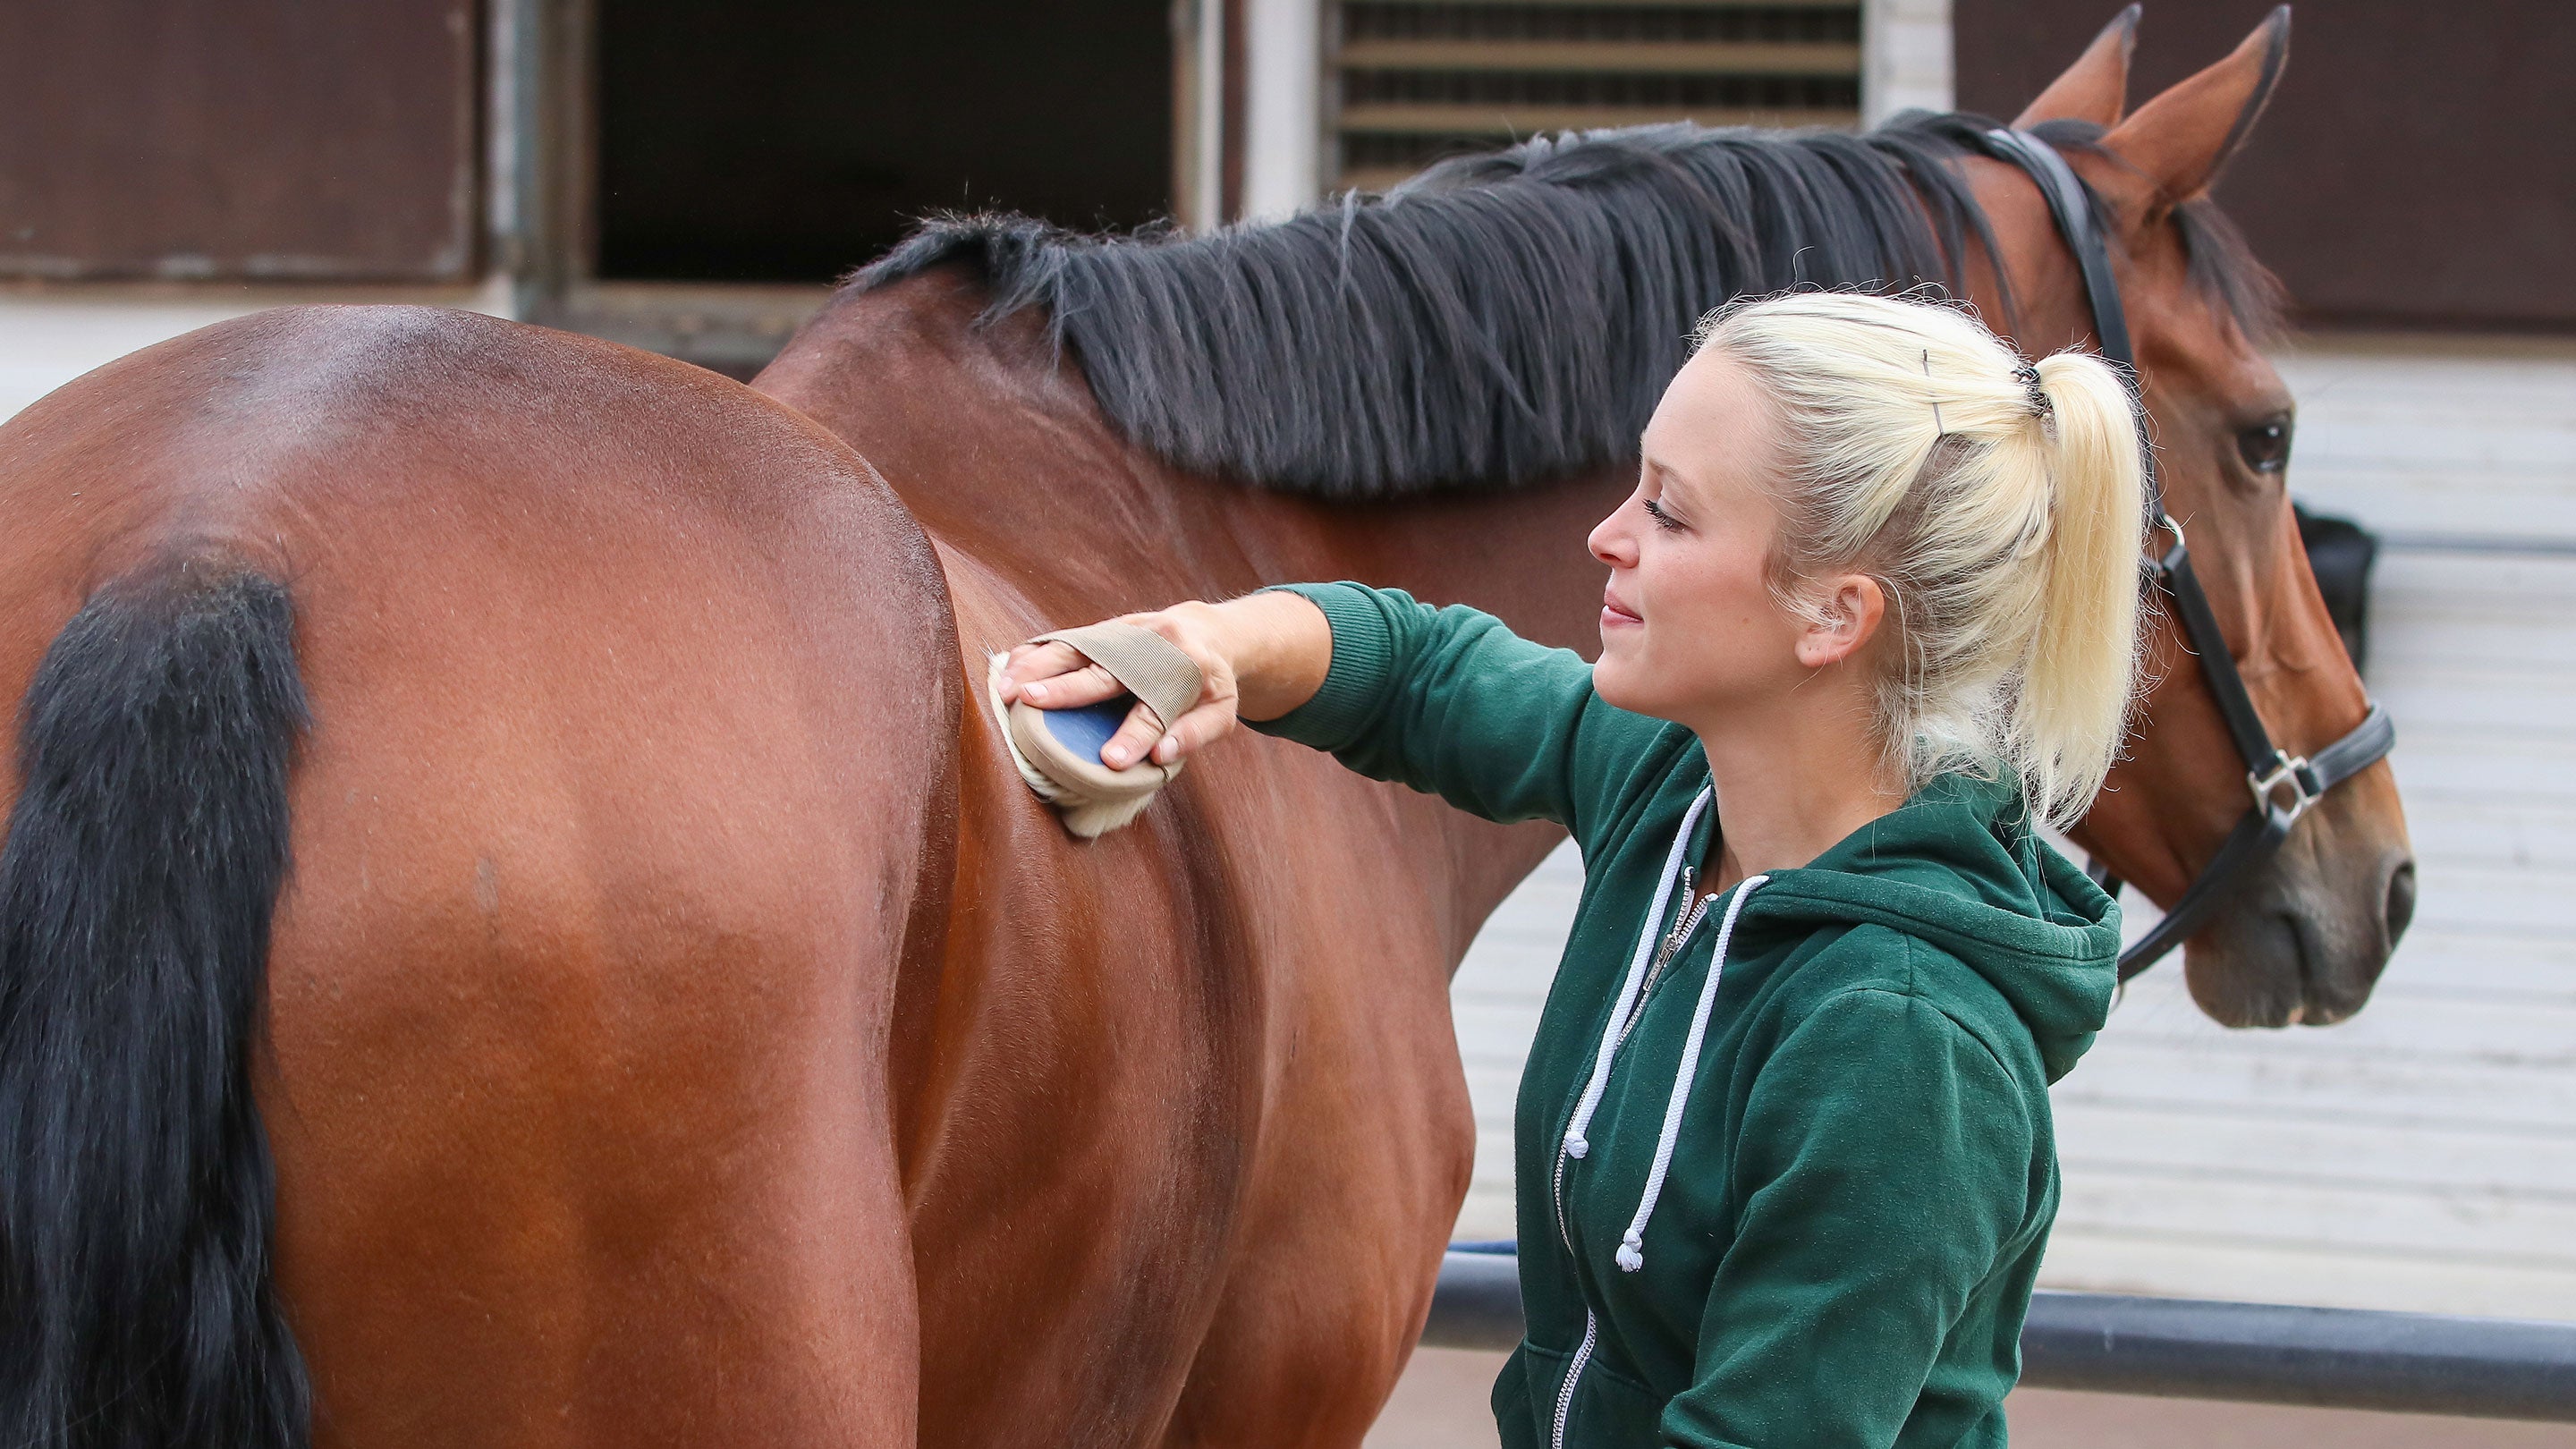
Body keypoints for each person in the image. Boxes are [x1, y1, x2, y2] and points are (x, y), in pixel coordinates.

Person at [996, 291, 2142, 1448]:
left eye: (1671, 514)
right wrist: (1217, 647)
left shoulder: (1902, 1047)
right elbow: (1417, 670)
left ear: (1833, 615)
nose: (1608, 536)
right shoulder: (1673, 793)